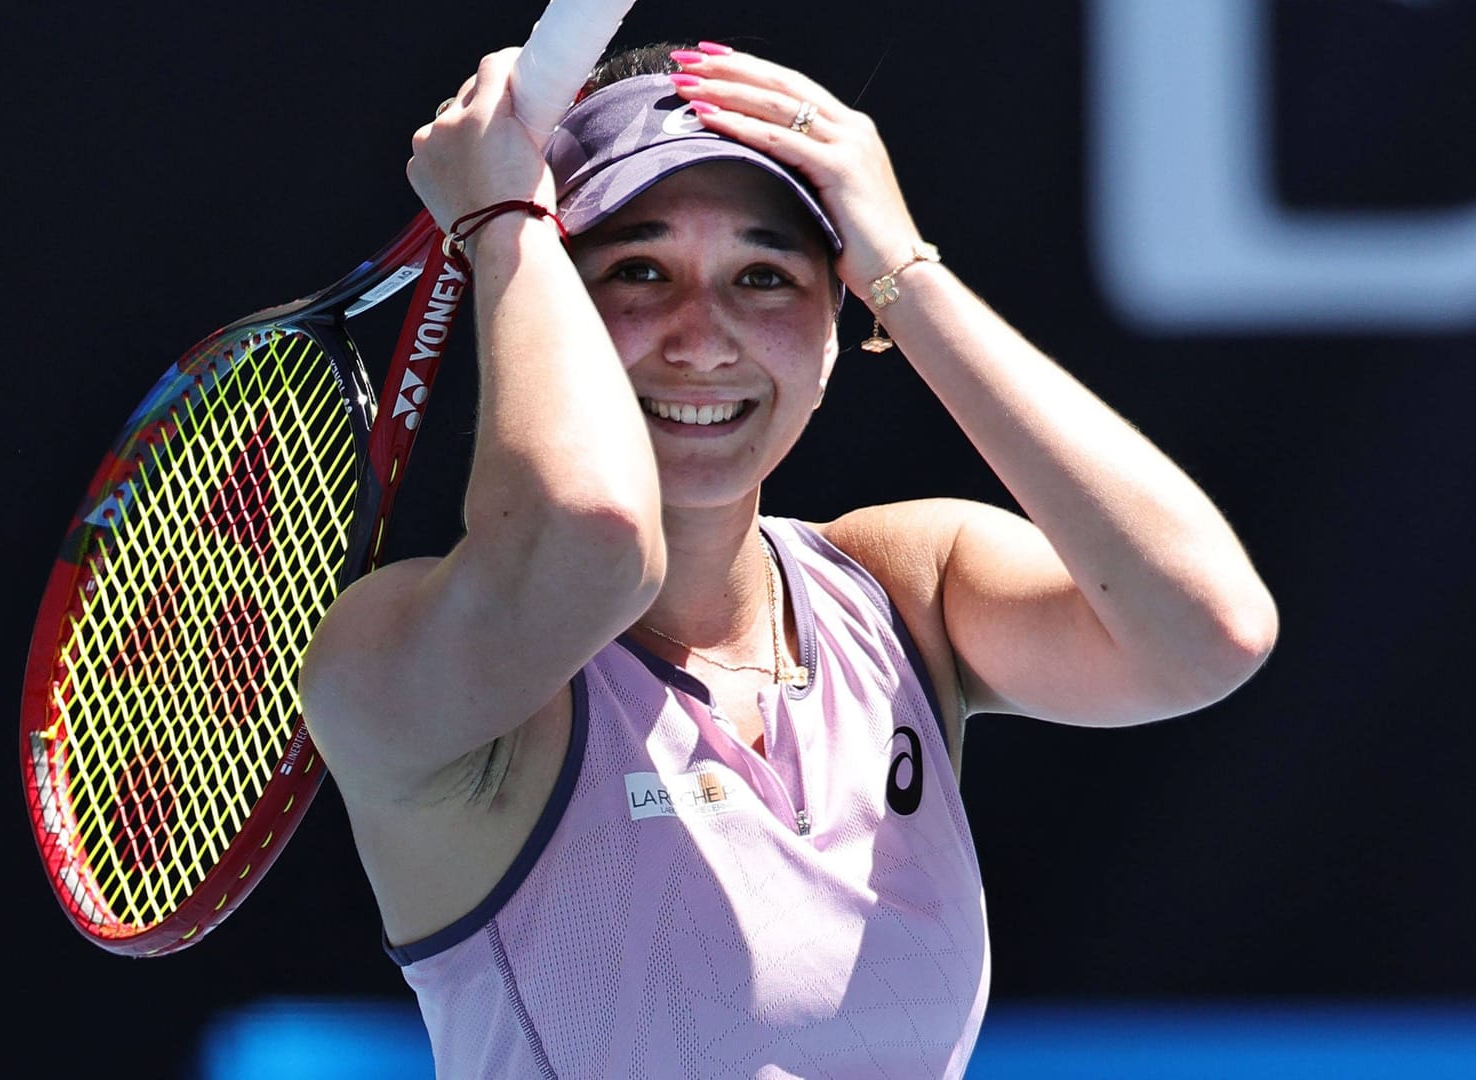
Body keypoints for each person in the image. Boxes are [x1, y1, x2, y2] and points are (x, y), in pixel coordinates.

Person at [300, 39, 1278, 1078]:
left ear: (833, 325)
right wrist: (501, 225)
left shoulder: (909, 591)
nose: (703, 337)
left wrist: (905, 266)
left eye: (764, 277)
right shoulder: (395, 656)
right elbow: (590, 540)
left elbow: (1209, 634)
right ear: (545, 303)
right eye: (638, 269)